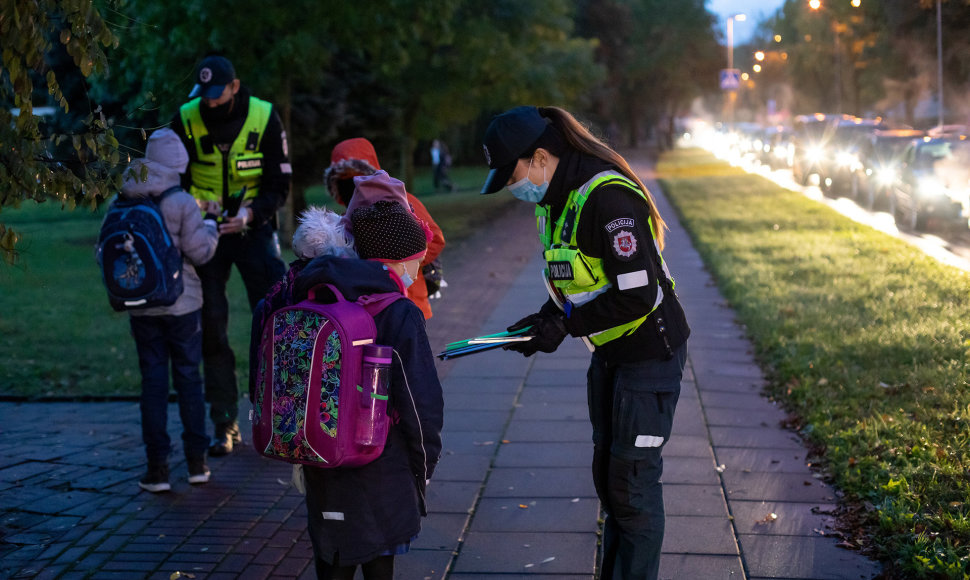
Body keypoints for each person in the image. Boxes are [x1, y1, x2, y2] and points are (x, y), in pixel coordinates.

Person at [479, 106, 690, 580]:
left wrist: (566, 326)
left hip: (650, 356)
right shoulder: (555, 200)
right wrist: (548, 318)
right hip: (611, 355)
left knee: (632, 489)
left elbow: (637, 294)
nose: (514, 188)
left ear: (539, 157)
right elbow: (579, 280)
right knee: (611, 483)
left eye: (511, 175)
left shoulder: (607, 197)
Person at [256, 171, 442, 580]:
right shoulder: (398, 311)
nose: (416, 271)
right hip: (380, 461)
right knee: (379, 557)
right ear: (394, 260)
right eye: (414, 261)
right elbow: (420, 401)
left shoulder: (304, 289)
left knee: (332, 554)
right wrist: (424, 464)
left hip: (318, 453)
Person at [170, 54, 291, 456]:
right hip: (205, 237)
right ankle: (224, 422)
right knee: (210, 327)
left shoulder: (265, 116)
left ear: (235, 86)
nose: (210, 103)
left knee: (276, 320)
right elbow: (172, 178)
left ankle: (278, 415)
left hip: (253, 231)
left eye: (218, 94)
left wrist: (252, 215)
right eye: (204, 95)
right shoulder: (185, 118)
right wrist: (195, 210)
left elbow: (279, 182)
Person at [112, 128, 220, 492]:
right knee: (189, 378)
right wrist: (210, 224)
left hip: (141, 306)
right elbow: (201, 252)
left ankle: (157, 469)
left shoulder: (124, 197)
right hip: (182, 304)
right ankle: (197, 464)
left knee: (153, 383)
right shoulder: (181, 201)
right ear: (179, 163)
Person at [324, 137, 445, 319]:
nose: (351, 184)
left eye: (356, 176)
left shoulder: (402, 202)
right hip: (370, 307)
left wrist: (402, 263)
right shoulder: (346, 217)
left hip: (409, 299)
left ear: (369, 173)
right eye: (342, 179)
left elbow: (434, 238)